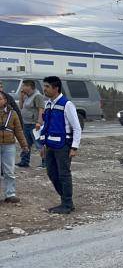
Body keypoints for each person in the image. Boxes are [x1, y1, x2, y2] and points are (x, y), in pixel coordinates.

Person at [39, 76, 81, 214]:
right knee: (51, 173)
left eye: (47, 87)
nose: (44, 89)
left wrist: (74, 147)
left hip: (63, 146)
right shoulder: (48, 104)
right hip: (50, 145)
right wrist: (42, 144)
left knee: (64, 175)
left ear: (56, 88)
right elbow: (46, 126)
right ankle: (66, 201)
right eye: (44, 86)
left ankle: (67, 204)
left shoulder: (66, 104)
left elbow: (77, 127)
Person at [0, 93, 28, 203]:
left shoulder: (13, 114)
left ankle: (10, 194)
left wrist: (24, 145)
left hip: (9, 145)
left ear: (5, 100)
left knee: (9, 171)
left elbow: (19, 131)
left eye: (0, 99)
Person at [16, 80, 46, 168]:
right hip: (26, 123)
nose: (22, 88)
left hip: (34, 124)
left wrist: (39, 122)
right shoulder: (26, 96)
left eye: (24, 86)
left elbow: (41, 109)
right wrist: (21, 97)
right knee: (26, 143)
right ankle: (24, 161)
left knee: (39, 143)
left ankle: (45, 161)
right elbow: (21, 107)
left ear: (29, 86)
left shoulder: (37, 96)